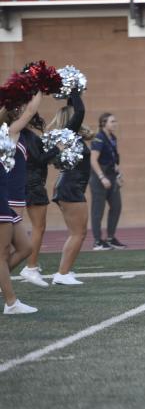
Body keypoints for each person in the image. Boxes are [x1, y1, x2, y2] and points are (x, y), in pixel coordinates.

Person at [0, 94, 44, 314]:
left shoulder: (8, 133)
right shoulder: (9, 133)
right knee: (1, 252)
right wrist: (40, 87)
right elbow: (28, 113)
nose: (20, 112)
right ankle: (11, 303)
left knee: (25, 247)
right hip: (3, 196)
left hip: (6, 195)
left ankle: (5, 286)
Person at [49, 92, 92, 283]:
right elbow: (80, 110)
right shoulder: (69, 132)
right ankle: (63, 273)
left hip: (69, 186)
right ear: (71, 118)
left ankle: (64, 271)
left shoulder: (69, 136)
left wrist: (71, 96)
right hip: (71, 187)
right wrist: (74, 90)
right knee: (79, 233)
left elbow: (77, 109)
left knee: (77, 232)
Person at [18, 112, 57, 286]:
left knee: (11, 231)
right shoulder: (25, 135)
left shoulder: (16, 133)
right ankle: (31, 267)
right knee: (38, 227)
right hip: (32, 183)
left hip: (20, 183)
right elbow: (39, 159)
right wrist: (58, 148)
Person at [89, 112, 125, 250]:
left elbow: (113, 160)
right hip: (100, 178)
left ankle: (110, 238)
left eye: (115, 121)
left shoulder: (112, 138)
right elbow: (93, 160)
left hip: (111, 175)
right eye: (112, 121)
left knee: (116, 206)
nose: (115, 124)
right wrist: (101, 177)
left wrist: (118, 175)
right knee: (98, 210)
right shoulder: (99, 138)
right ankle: (97, 241)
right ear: (103, 123)